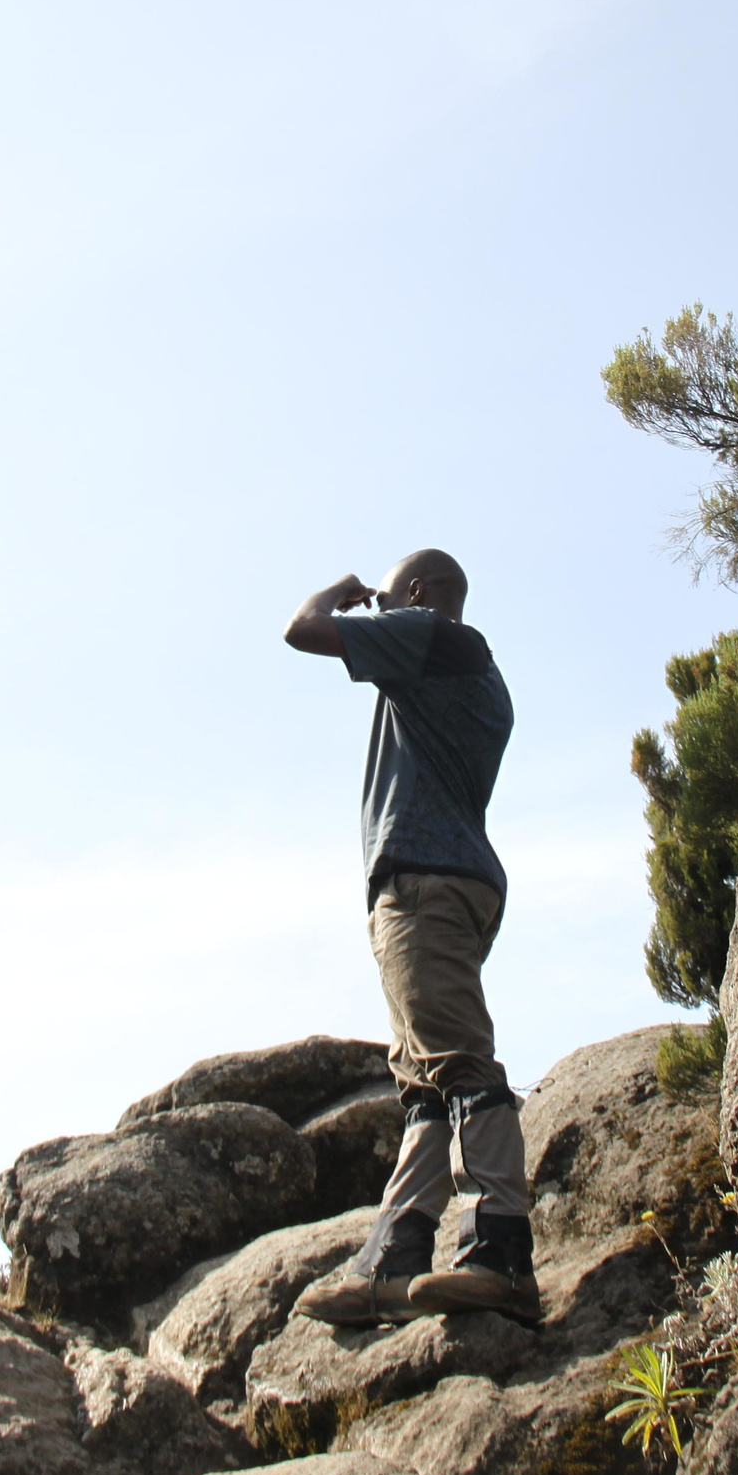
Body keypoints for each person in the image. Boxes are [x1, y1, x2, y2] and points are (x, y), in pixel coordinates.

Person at [280, 549, 537, 1325]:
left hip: (423, 882)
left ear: (420, 595)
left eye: (390, 600)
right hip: (448, 881)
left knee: (457, 1063)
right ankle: (393, 1260)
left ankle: (502, 1251)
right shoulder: (475, 679)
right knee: (423, 1082)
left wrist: (346, 594)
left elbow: (303, 629)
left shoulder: (431, 636)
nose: (378, 614)